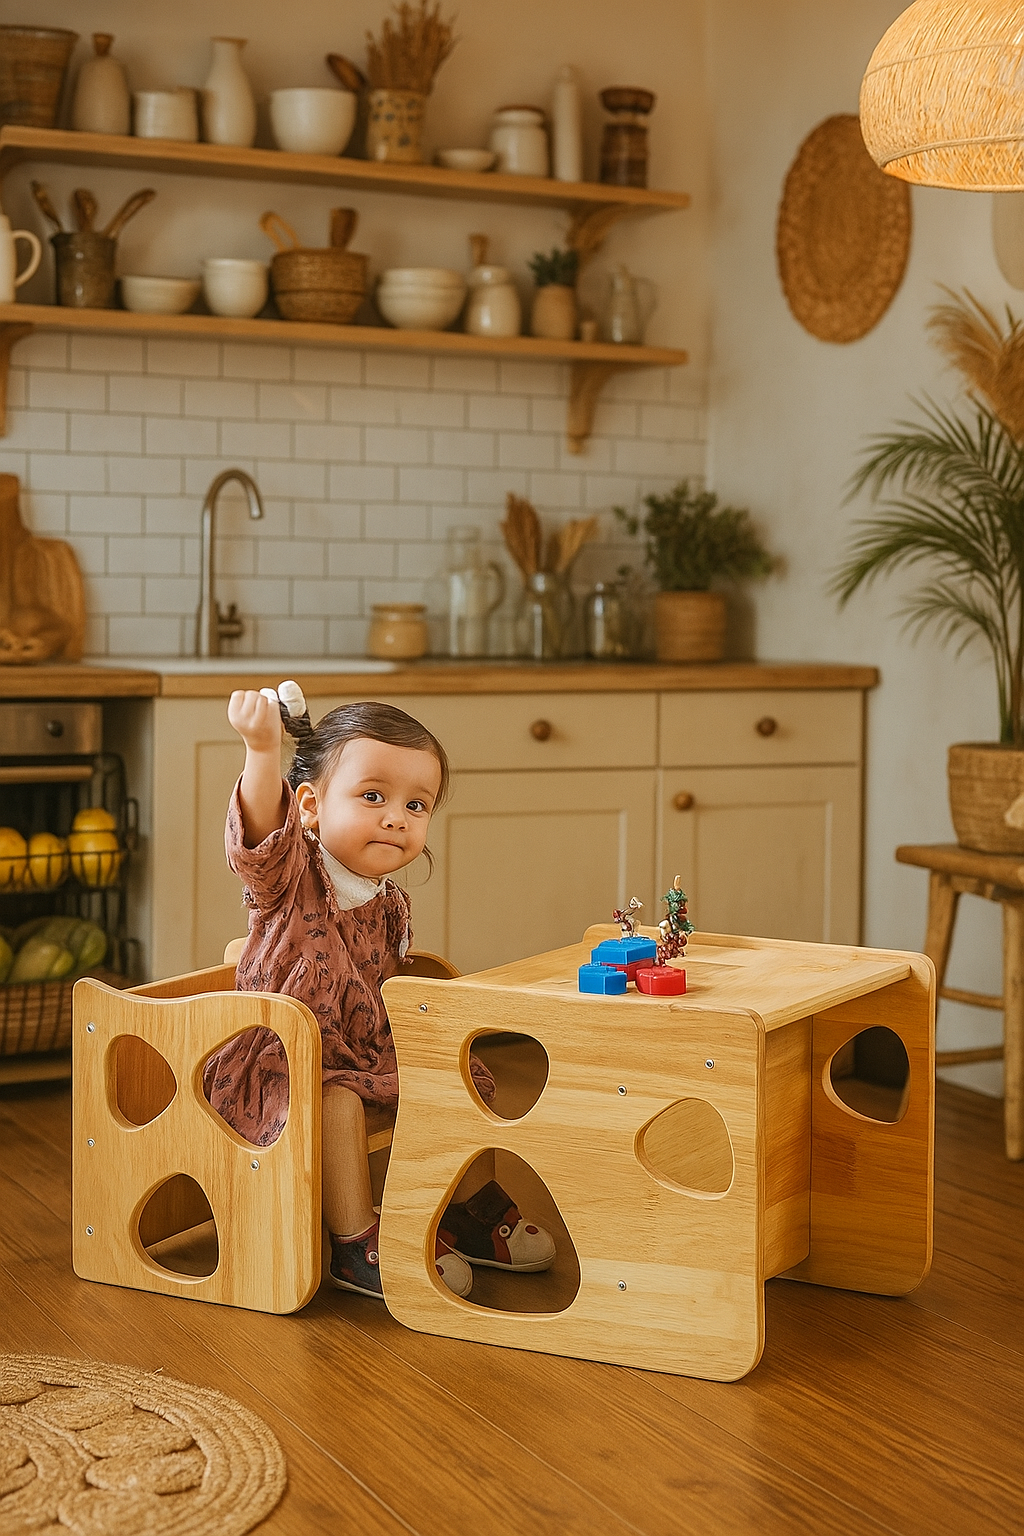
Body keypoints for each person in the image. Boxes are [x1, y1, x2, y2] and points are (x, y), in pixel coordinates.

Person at [203, 686, 555, 1300]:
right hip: (288, 1061)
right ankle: (354, 1242)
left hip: (365, 1051)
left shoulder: (388, 899)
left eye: (416, 805)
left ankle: (465, 1211)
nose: (397, 816)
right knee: (337, 1102)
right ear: (310, 808)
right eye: (373, 797)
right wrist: (262, 751)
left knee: (462, 1073)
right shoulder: (291, 879)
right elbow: (259, 835)